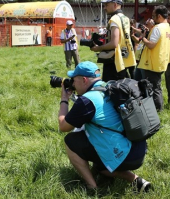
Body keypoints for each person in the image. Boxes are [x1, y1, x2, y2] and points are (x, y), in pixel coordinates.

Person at [58, 61, 151, 192]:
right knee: (99, 167)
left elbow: (63, 126)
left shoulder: (87, 101)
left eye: (74, 80)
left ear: (84, 80)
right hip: (138, 149)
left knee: (70, 141)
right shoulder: (110, 86)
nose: (72, 84)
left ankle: (92, 187)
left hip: (123, 154)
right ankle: (136, 180)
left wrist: (64, 99)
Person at [91, 0, 135, 82]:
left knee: (110, 89)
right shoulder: (125, 18)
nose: (104, 7)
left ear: (115, 5)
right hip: (125, 58)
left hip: (114, 61)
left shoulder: (114, 19)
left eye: (107, 5)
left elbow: (114, 43)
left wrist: (98, 48)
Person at [137, 5, 170, 111]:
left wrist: (143, 39)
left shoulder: (158, 28)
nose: (152, 18)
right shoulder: (167, 27)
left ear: (159, 16)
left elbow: (151, 45)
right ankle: (158, 109)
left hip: (152, 63)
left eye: (154, 16)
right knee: (157, 87)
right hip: (160, 61)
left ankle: (157, 110)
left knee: (153, 88)